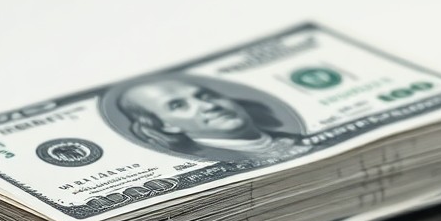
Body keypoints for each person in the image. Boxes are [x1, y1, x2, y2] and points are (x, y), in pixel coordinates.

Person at [114, 76, 309, 162]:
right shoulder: (208, 158)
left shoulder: (294, 137)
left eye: (205, 96)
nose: (209, 106)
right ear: (166, 125)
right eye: (178, 105)